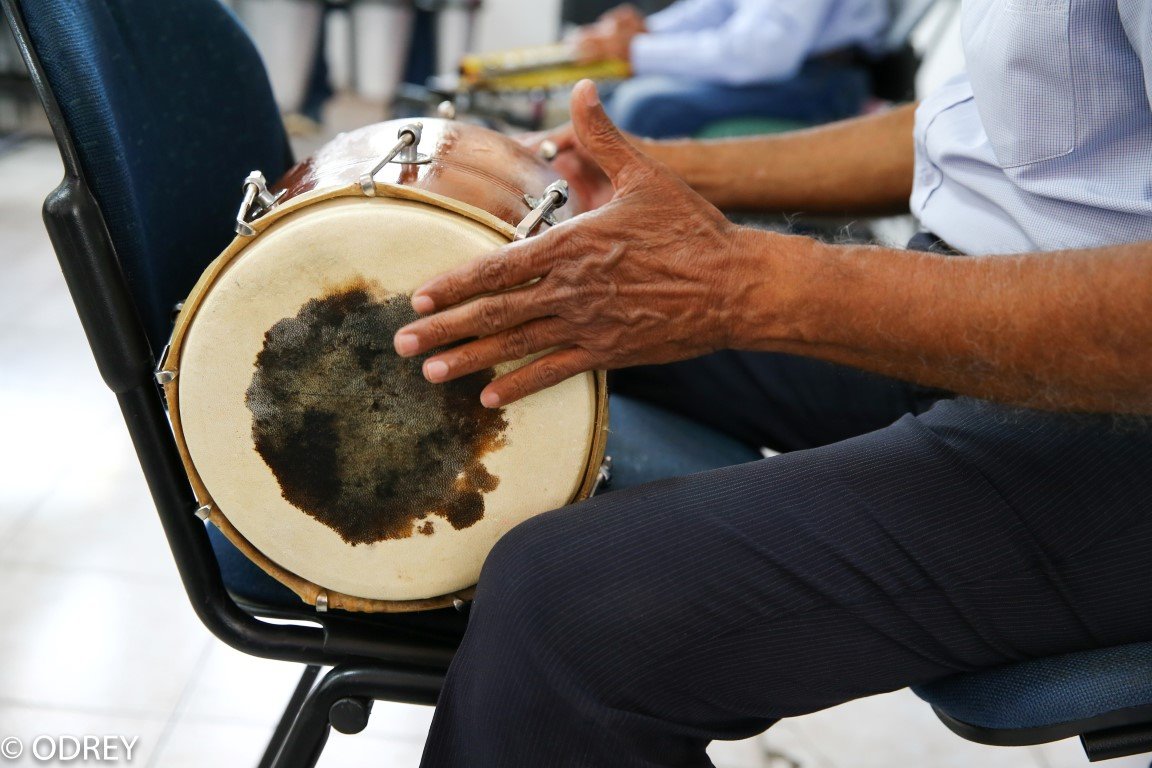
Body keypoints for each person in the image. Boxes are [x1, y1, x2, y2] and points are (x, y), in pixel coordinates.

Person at [401, 1, 1152, 765]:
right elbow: (974, 132)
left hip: (1117, 421)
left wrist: (744, 286)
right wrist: (649, 172)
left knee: (561, 608)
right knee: (511, 327)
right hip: (982, 300)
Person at [570, 0, 889, 138]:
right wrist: (645, 32)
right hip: (786, 67)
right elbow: (716, 9)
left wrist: (637, 51)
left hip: (823, 79)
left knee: (644, 107)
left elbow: (763, 53)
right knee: (611, 92)